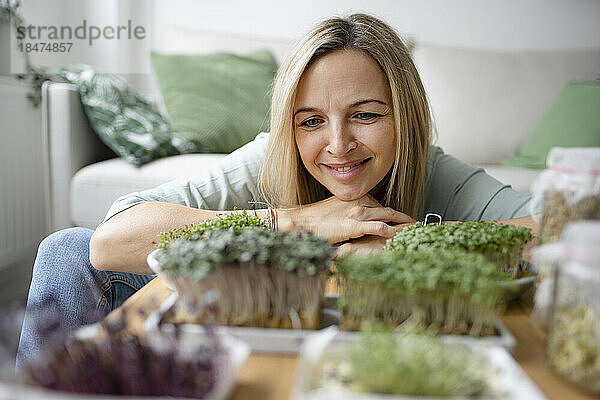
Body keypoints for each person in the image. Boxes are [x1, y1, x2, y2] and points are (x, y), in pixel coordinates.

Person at [16, 13, 538, 367]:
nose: (339, 145)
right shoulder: (268, 160)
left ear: (406, 118)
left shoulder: (432, 172)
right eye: (311, 121)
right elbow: (107, 244)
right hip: (239, 315)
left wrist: (395, 246)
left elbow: (554, 231)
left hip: (370, 344)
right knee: (64, 250)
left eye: (366, 116)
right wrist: (294, 222)